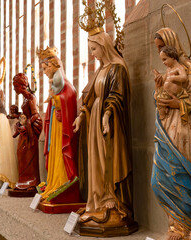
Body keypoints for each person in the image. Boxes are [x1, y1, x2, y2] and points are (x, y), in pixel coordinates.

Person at [73, 30, 135, 230]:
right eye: (90, 49)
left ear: (104, 46)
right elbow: (90, 97)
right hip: (95, 121)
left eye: (93, 49)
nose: (92, 53)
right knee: (96, 160)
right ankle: (97, 199)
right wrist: (81, 116)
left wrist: (107, 115)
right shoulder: (100, 70)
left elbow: (118, 95)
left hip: (110, 122)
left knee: (108, 156)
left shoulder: (118, 68)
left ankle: (112, 198)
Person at [151, 28, 191, 240]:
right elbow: (160, 97)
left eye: (161, 48)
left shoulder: (187, 68)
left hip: (183, 126)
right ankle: (174, 226)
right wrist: (158, 92)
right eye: (158, 49)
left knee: (178, 174)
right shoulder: (168, 70)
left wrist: (177, 103)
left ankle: (187, 230)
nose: (160, 54)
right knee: (159, 180)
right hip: (165, 125)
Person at [36, 47, 83, 212]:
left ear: (54, 65)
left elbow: (69, 97)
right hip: (54, 129)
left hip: (61, 130)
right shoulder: (57, 84)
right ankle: (53, 183)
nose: (44, 72)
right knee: (54, 153)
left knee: (61, 153)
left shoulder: (66, 85)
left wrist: (55, 99)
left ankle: (63, 181)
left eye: (45, 68)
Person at [11, 73, 42, 197]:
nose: (14, 89)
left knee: (29, 156)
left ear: (23, 86)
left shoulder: (30, 98)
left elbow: (35, 115)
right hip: (26, 129)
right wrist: (17, 115)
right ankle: (23, 180)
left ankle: (32, 182)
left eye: (16, 86)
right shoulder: (24, 99)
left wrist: (26, 125)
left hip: (31, 131)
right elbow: (26, 115)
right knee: (21, 154)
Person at [155, 46, 188, 121]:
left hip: (173, 94)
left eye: (165, 59)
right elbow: (164, 79)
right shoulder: (168, 69)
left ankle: (163, 116)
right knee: (158, 98)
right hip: (166, 92)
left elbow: (184, 77)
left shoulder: (179, 68)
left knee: (161, 101)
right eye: (162, 60)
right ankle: (163, 115)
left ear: (172, 56)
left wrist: (173, 78)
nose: (163, 62)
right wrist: (159, 78)